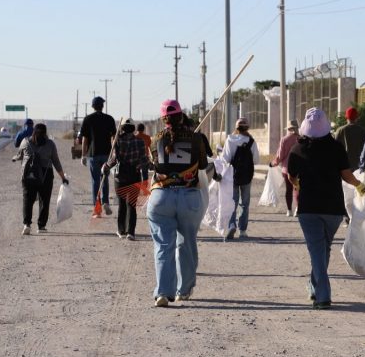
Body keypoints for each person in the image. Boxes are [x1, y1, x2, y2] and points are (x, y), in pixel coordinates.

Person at [287, 108, 365, 309]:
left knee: (317, 251)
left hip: (309, 208)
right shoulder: (336, 148)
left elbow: (291, 176)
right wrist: (359, 185)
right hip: (333, 209)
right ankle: (314, 286)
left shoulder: (297, 149)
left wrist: (297, 185)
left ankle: (322, 296)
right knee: (323, 249)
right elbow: (346, 175)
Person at [146, 99, 211, 307]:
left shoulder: (155, 140)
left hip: (161, 197)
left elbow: (154, 164)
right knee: (187, 243)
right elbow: (203, 165)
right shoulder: (197, 138)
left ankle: (163, 293)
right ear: (181, 115)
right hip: (189, 197)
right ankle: (184, 290)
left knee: (163, 246)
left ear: (163, 119)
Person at [13, 123, 69, 235]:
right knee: (44, 200)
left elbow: (19, 155)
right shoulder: (50, 144)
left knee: (28, 200)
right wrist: (63, 177)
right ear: (45, 132)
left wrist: (14, 158)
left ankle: (27, 225)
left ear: (33, 131)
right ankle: (41, 226)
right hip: (45, 175)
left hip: (28, 174)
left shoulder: (25, 142)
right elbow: (56, 162)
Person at [102, 117, 149, 240]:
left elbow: (113, 159)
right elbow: (144, 160)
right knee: (132, 205)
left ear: (122, 128)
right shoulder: (140, 142)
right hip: (134, 175)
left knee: (122, 204)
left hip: (120, 177)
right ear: (133, 128)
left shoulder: (117, 141)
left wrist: (106, 166)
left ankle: (121, 230)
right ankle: (131, 232)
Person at [220, 117, 260, 240]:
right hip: (247, 176)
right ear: (247, 128)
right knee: (245, 203)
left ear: (236, 127)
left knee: (233, 202)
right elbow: (256, 160)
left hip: (232, 175)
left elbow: (225, 159)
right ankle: (243, 230)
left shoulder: (230, 139)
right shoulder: (251, 141)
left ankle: (232, 225)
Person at [80, 96, 117, 215]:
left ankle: (97, 207)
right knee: (104, 178)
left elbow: (85, 139)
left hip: (93, 154)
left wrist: (83, 155)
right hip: (106, 154)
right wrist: (114, 151)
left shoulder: (88, 119)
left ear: (93, 106)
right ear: (102, 106)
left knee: (95, 181)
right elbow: (114, 137)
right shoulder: (109, 119)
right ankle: (106, 202)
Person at [269, 119, 300, 217]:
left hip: (286, 169)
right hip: (299, 168)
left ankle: (289, 210)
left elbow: (280, 156)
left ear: (288, 128)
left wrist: (273, 163)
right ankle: (297, 209)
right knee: (297, 188)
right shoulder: (301, 139)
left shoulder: (284, 139)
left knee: (289, 189)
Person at [334, 106, 365, 171]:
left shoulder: (340, 130)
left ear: (346, 117)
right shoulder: (362, 131)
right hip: (358, 165)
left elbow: (335, 148)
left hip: (343, 165)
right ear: (357, 118)